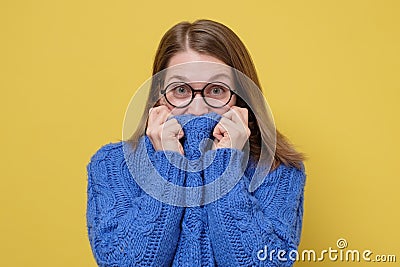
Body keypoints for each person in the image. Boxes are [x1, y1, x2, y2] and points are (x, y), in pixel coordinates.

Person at [86, 19, 306, 266]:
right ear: (159, 95)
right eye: (181, 90)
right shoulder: (112, 165)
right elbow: (124, 262)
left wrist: (225, 165)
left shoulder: (278, 168)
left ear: (241, 97)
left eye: (216, 90)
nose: (198, 109)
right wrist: (169, 164)